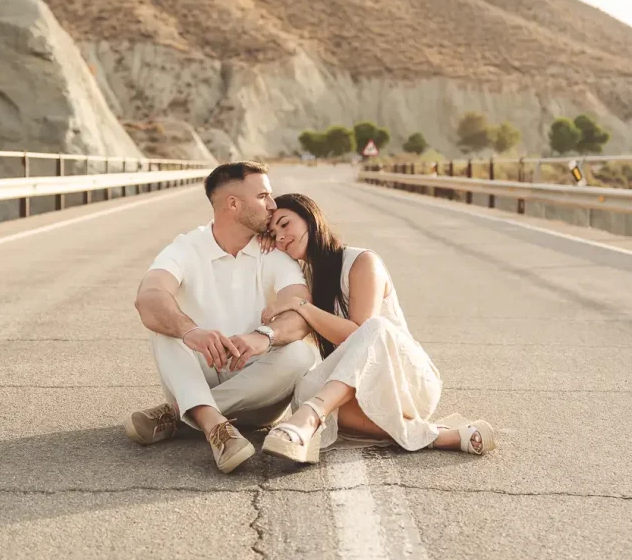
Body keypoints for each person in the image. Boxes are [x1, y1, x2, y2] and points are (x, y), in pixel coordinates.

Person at [259, 193, 496, 465]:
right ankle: (436, 436)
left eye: (285, 224)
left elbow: (359, 333)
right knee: (303, 389)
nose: (280, 237)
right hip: (358, 392)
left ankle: (311, 416)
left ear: (310, 218)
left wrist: (302, 305)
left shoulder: (361, 261)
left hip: (406, 383)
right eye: (272, 233)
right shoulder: (307, 278)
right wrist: (260, 245)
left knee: (375, 327)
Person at [126, 164, 317, 474]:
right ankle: (216, 427)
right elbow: (148, 298)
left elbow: (301, 311)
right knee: (165, 328)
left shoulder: (275, 252)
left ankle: (182, 415)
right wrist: (191, 332)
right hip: (201, 373)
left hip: (260, 393)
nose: (272, 204)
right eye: (263, 196)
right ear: (233, 204)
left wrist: (264, 336)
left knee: (301, 352)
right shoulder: (187, 247)